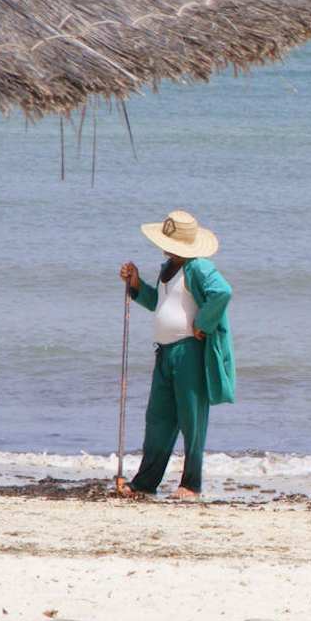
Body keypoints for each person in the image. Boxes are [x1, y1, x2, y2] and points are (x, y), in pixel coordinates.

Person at [116, 210, 235, 499]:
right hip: (165, 352)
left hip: (189, 352)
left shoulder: (199, 267)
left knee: (192, 420)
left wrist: (202, 323)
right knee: (158, 418)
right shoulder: (168, 267)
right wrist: (136, 284)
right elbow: (159, 303)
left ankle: (191, 485)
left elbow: (222, 292)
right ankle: (146, 482)